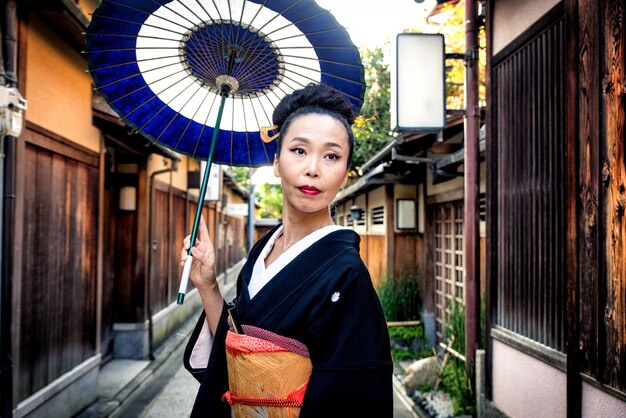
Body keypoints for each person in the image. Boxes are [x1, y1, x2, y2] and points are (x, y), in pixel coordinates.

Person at [181, 83, 393, 418]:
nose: (313, 168)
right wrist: (207, 285)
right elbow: (235, 342)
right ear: (277, 161)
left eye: (332, 156)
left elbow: (356, 392)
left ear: (345, 175)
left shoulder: (347, 274)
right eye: (299, 150)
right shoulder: (263, 249)